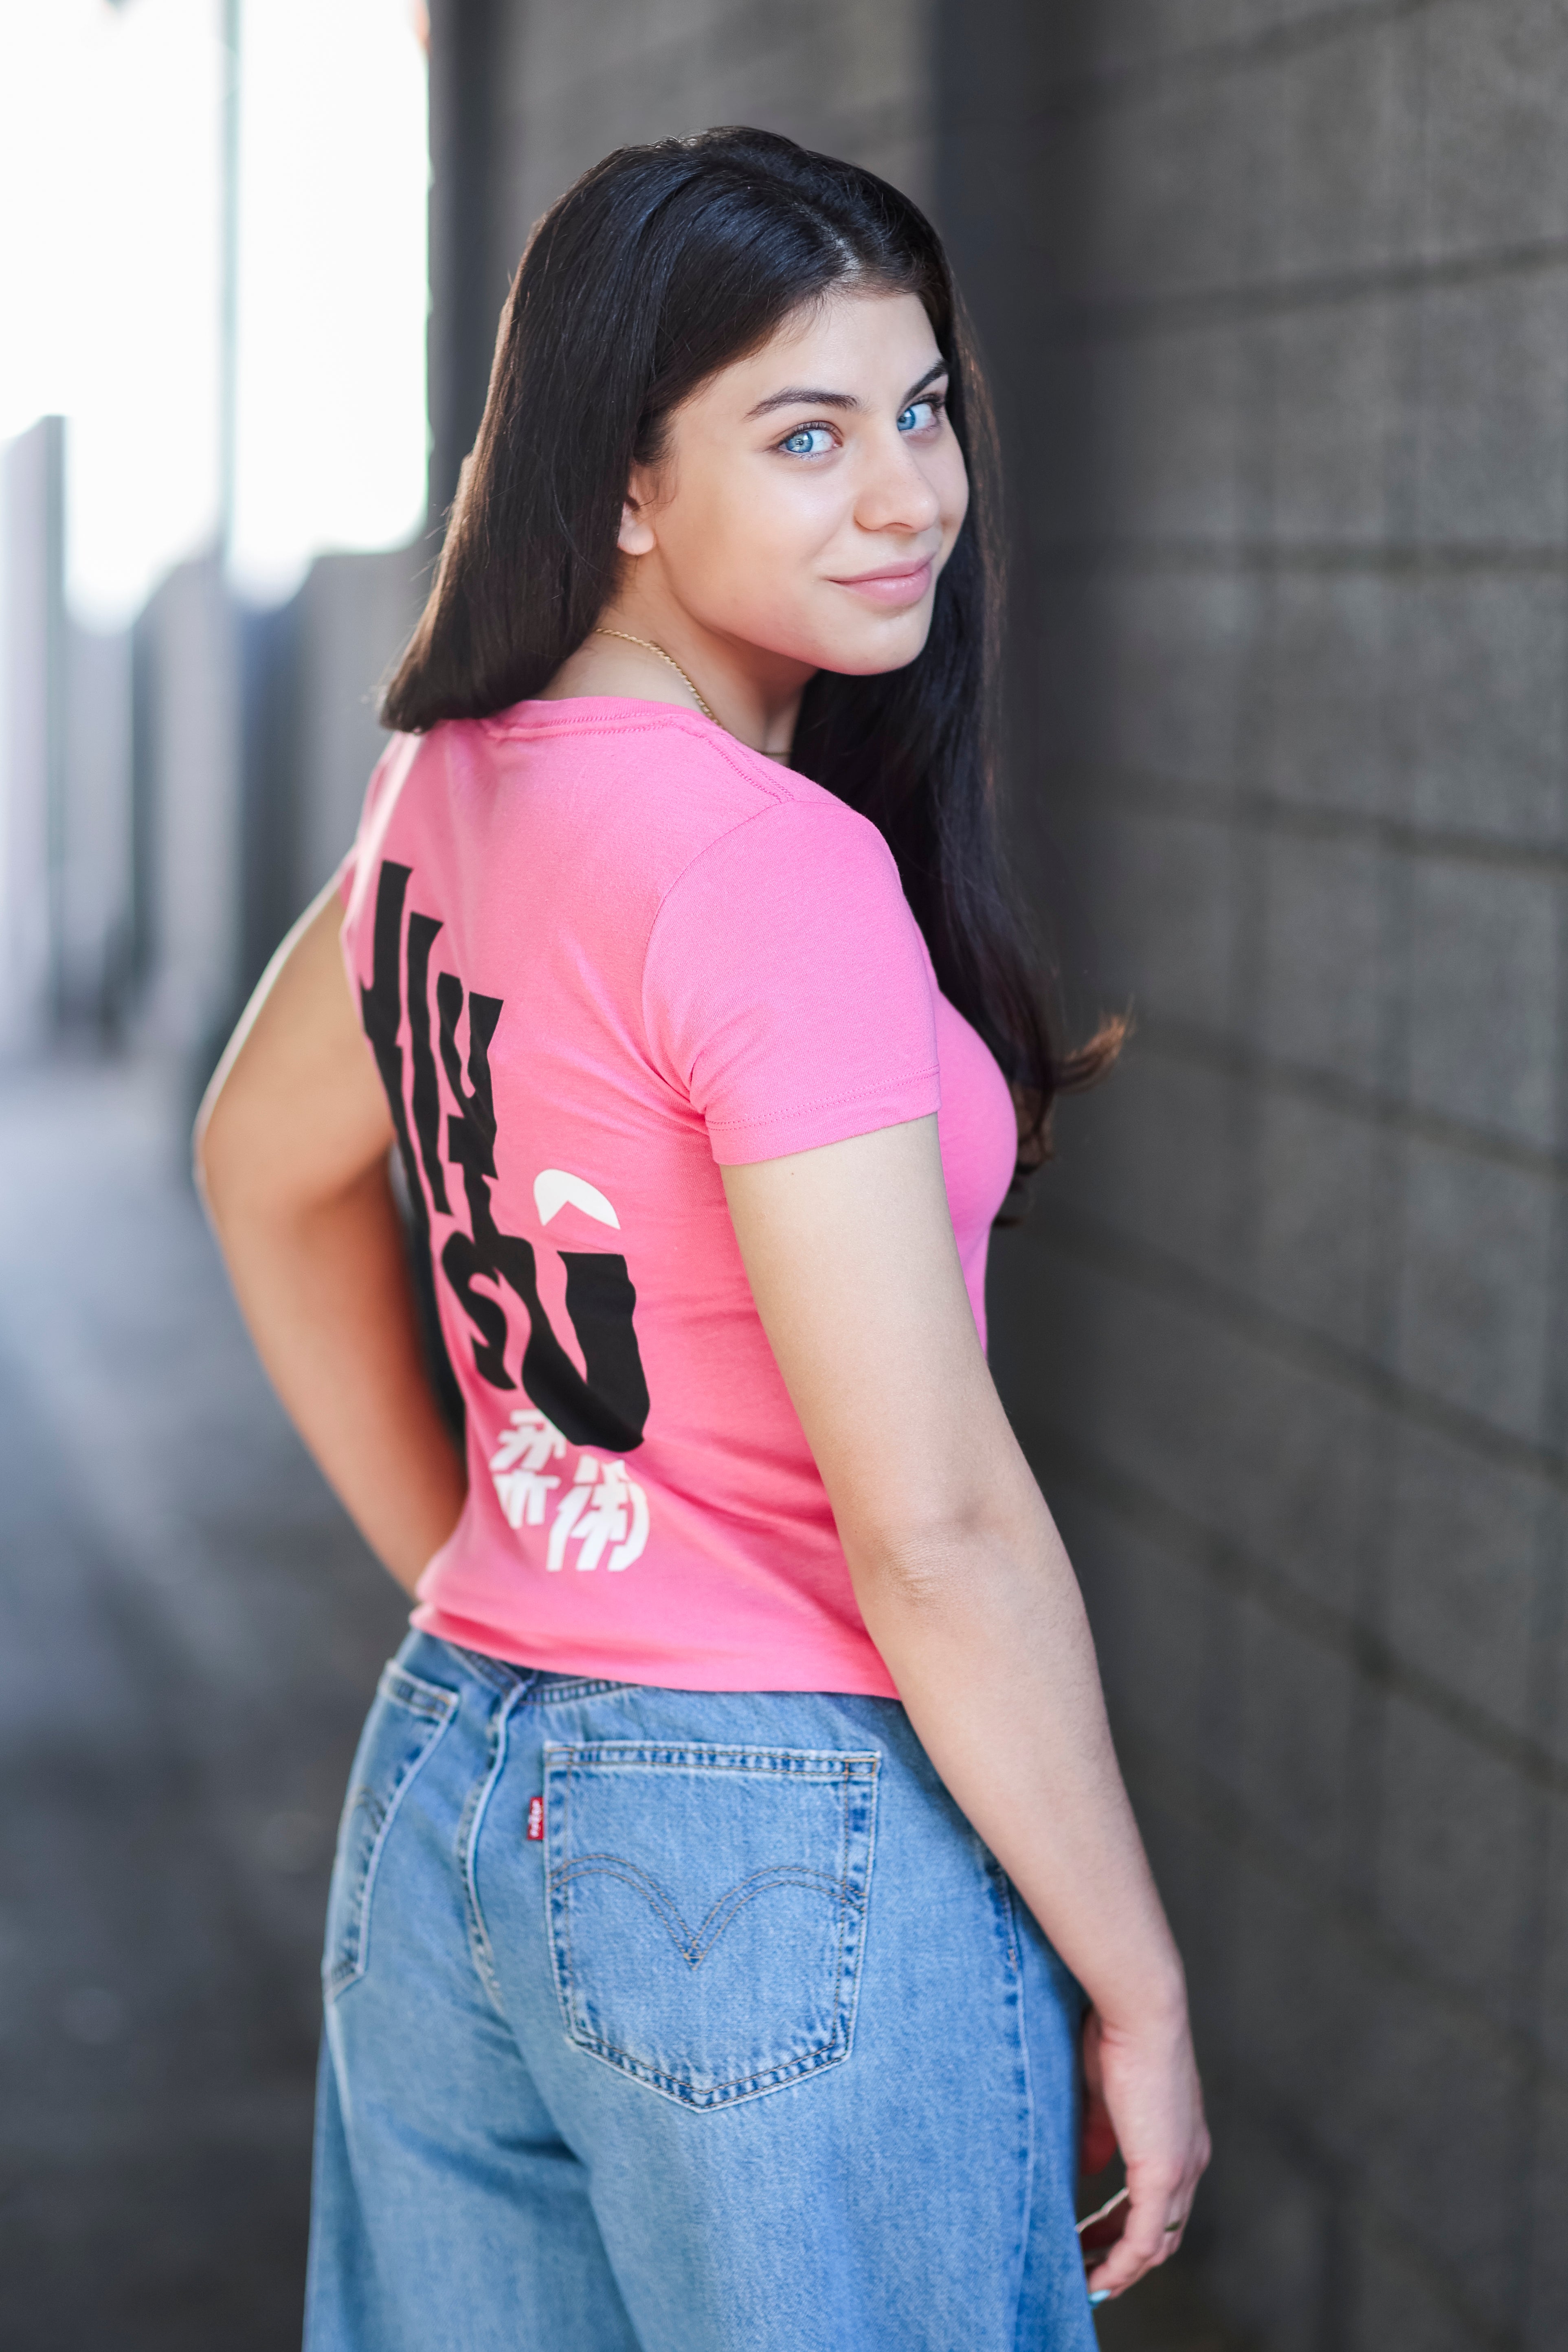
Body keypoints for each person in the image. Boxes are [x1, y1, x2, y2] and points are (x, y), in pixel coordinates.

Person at [196, 126, 1209, 2352]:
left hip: (457, 1788)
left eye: (922, 409)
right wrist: (1131, 1975)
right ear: (627, 487)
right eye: (809, 432)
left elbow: (259, 1169)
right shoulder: (765, 871)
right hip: (774, 1849)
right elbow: (927, 1522)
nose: (909, 493)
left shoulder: (449, 785)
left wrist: (507, 1553)